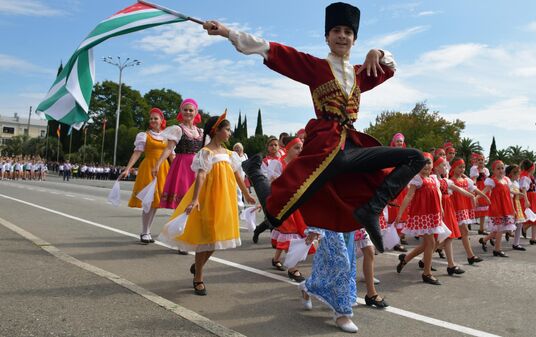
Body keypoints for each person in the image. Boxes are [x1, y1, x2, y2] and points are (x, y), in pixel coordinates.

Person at [202, 2, 425, 252]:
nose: (342, 35)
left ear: (354, 39)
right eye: (336, 31)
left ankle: (371, 209)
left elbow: (391, 67)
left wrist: (378, 51)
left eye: (348, 32)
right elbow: (271, 50)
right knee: (277, 215)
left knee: (414, 158)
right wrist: (226, 32)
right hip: (325, 148)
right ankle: (254, 170)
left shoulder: (360, 74)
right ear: (327, 38)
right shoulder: (316, 67)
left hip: (351, 148)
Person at [159, 112, 255, 296]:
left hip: (224, 199)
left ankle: (198, 265)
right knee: (206, 238)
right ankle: (198, 278)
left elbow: (237, 175)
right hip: (208, 197)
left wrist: (246, 194)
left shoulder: (229, 153)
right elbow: (201, 175)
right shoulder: (206, 152)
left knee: (216, 238)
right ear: (216, 131)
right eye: (227, 129)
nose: (230, 132)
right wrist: (195, 199)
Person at [396, 153, 451, 285]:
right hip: (423, 215)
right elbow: (409, 196)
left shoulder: (433, 178)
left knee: (428, 243)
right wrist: (400, 214)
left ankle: (406, 259)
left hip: (434, 213)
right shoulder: (417, 178)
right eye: (423, 163)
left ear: (432, 165)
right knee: (431, 242)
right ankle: (426, 273)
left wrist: (441, 208)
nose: (426, 165)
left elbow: (437, 192)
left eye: (429, 162)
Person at [119, 108, 171, 244]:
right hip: (148, 167)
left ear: (162, 121)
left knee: (155, 203)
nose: (153, 120)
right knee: (148, 202)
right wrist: (128, 169)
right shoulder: (144, 135)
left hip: (163, 169)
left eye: (156, 118)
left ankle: (147, 231)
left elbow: (172, 155)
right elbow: (137, 153)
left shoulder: (167, 137)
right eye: (151, 118)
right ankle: (144, 232)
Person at [268, 137, 314, 282]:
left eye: (301, 148)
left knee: (292, 233)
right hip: (284, 205)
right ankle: (293, 269)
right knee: (290, 234)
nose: (300, 151)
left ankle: (276, 260)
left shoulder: (299, 164)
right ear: (288, 149)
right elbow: (273, 184)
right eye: (297, 148)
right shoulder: (278, 164)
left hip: (297, 205)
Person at [153, 99, 204, 210]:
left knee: (197, 202)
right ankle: (181, 226)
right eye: (185, 110)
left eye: (191, 110)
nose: (188, 112)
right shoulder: (177, 129)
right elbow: (169, 148)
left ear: (196, 112)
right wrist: (158, 164)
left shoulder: (201, 132)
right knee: (183, 201)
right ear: (181, 111)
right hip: (183, 166)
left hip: (198, 167)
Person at [449, 158, 488, 264]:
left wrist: (485, 197)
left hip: (463, 209)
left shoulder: (466, 180)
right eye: (459, 167)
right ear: (454, 168)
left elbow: (475, 189)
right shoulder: (451, 181)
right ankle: (426, 259)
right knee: (449, 236)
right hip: (455, 210)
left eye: (463, 167)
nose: (462, 169)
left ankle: (471, 256)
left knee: (462, 232)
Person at [478, 160, 516, 257]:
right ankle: (497, 249)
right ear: (493, 171)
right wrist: (476, 198)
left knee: (497, 230)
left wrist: (513, 208)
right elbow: (484, 191)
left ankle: (484, 240)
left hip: (506, 207)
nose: (500, 170)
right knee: (500, 229)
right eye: (498, 168)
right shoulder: (492, 181)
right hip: (497, 207)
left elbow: (510, 195)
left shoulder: (506, 180)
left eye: (502, 168)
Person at [505, 164, 528, 251]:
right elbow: (509, 196)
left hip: (517, 204)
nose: (519, 175)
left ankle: (516, 243)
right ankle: (489, 238)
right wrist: (512, 208)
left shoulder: (516, 183)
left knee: (519, 224)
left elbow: (516, 194)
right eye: (517, 174)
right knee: (504, 225)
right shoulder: (508, 183)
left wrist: (519, 196)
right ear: (512, 174)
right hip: (511, 205)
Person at [470, 153, 490, 235]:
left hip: (485, 190)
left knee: (483, 211)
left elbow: (488, 181)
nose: (481, 161)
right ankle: (467, 224)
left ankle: (481, 228)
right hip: (478, 190)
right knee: (475, 209)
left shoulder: (486, 170)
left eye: (482, 159)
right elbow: (474, 181)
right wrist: (474, 191)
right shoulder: (475, 170)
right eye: (479, 160)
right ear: (476, 161)